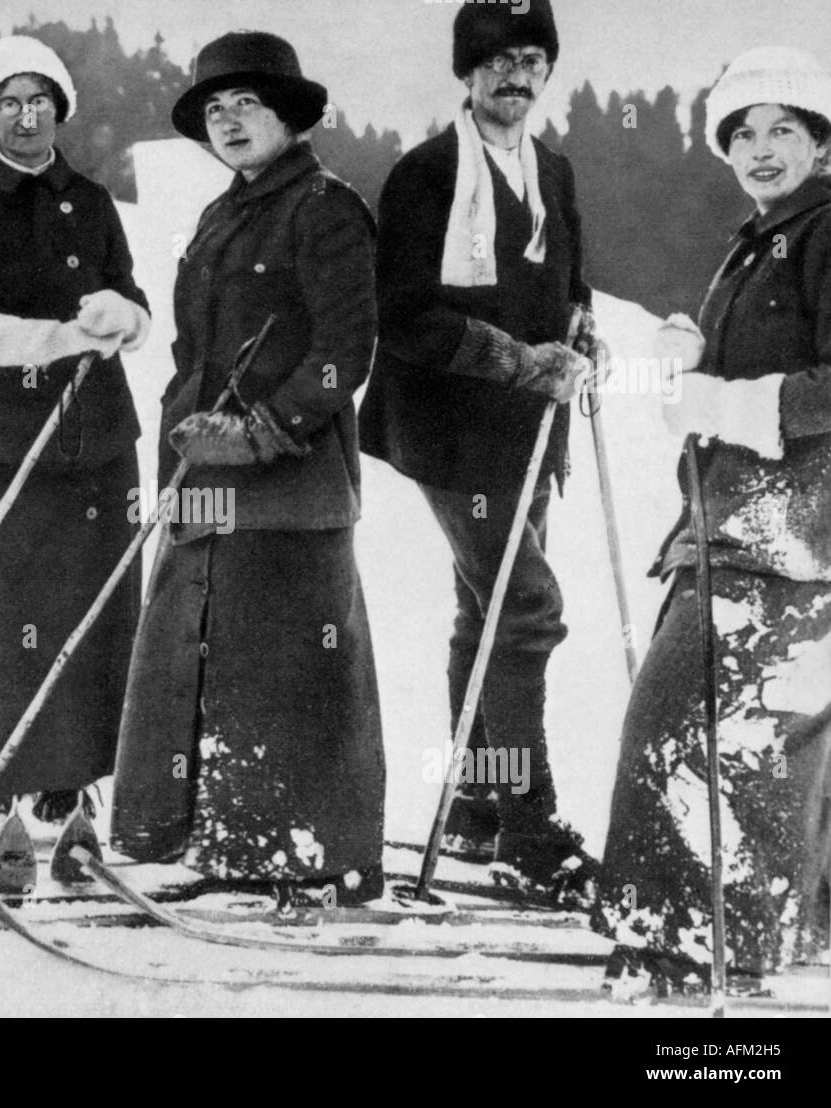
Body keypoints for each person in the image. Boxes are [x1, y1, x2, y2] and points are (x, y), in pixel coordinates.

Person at [110, 32, 385, 906]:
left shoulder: (326, 208)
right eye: (214, 109)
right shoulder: (222, 213)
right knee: (198, 654)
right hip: (206, 476)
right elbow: (194, 351)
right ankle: (207, 842)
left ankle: (297, 855)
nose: (228, 122)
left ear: (288, 115)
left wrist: (264, 432)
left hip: (289, 486)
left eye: (247, 105)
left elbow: (348, 353)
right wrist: (182, 451)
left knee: (279, 663)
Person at [596, 46, 831, 997]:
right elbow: (707, 398)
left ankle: (690, 948)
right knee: (765, 739)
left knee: (696, 733)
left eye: (784, 128)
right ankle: (782, 929)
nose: (760, 147)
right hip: (747, 527)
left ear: (822, 139)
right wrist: (684, 365)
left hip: (788, 536)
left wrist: (726, 404)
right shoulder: (759, 240)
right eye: (742, 132)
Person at [357, 0, 598, 899]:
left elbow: (571, 288)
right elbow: (404, 315)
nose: (516, 75)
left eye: (532, 57)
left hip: (530, 433)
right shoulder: (424, 175)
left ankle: (477, 808)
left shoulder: (556, 173)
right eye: (497, 59)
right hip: (447, 431)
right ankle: (531, 827)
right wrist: (514, 359)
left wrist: (584, 337)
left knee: (484, 611)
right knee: (525, 606)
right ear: (468, 72)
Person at [0, 35, 150, 823]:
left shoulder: (88, 197)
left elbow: (131, 293)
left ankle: (72, 777)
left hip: (96, 435)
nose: (28, 116)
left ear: (62, 108)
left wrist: (124, 315)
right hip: (1, 436)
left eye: (42, 99)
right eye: (11, 102)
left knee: (90, 603)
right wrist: (55, 338)